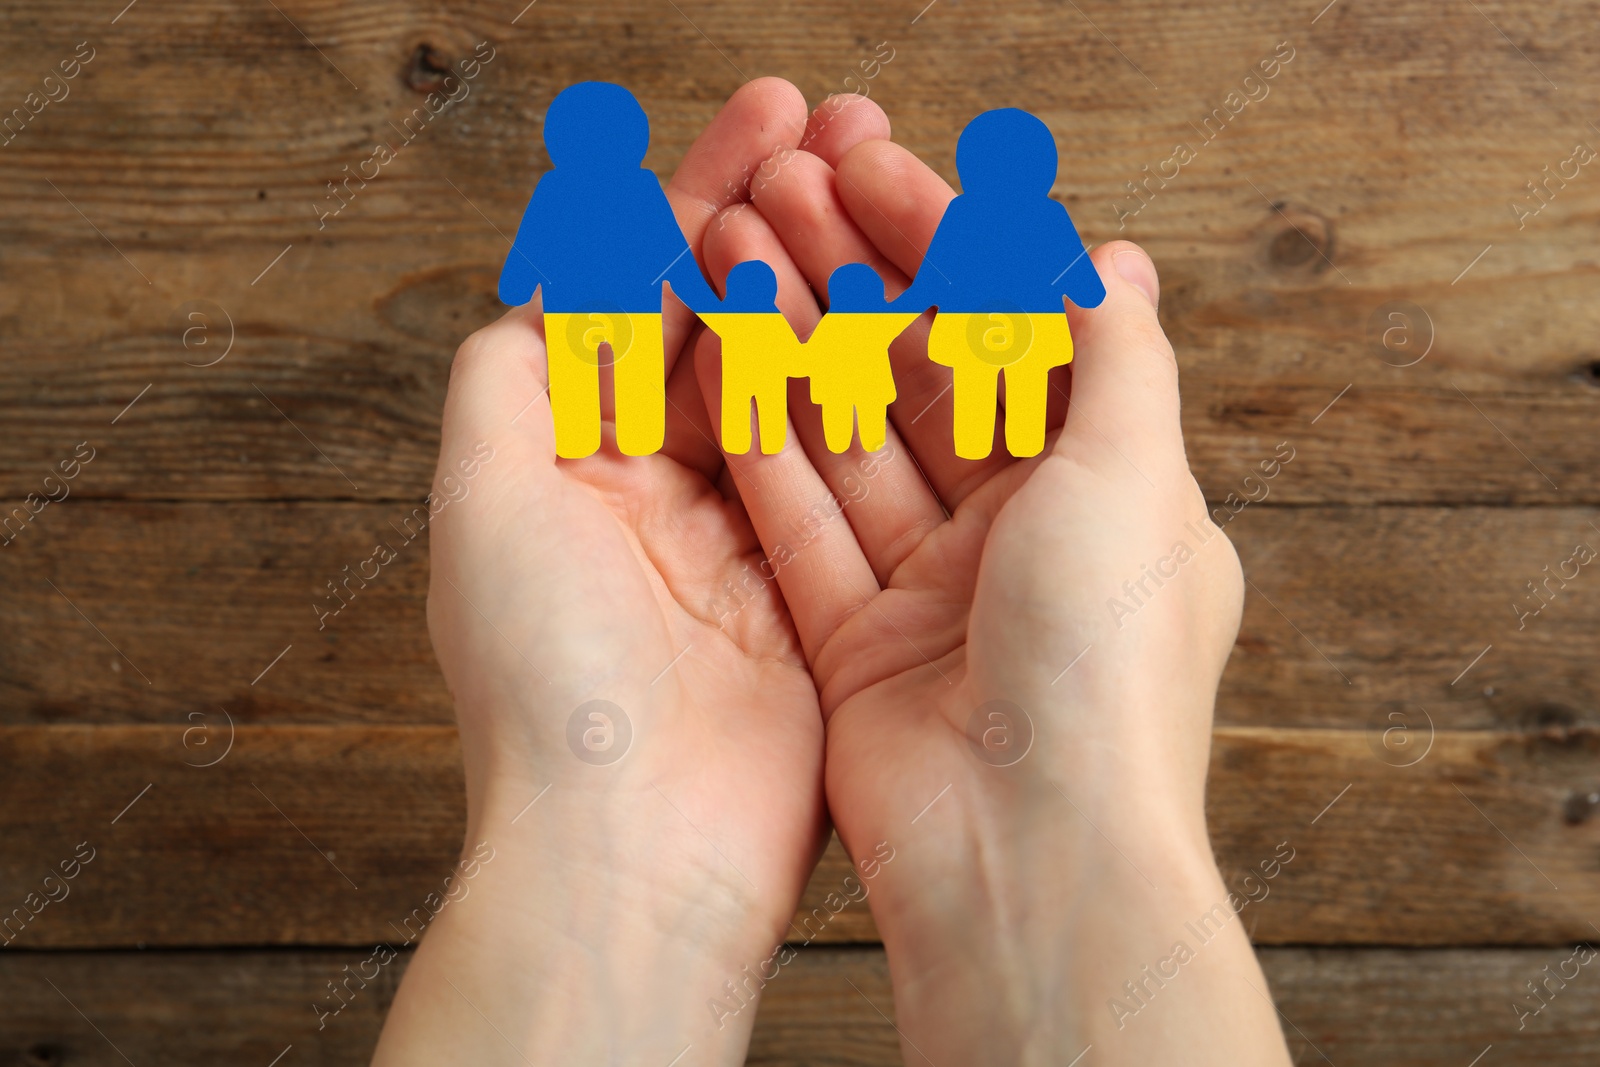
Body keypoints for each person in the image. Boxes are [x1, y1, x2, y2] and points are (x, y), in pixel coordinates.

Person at [373, 81, 1293, 1067]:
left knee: (951, 397)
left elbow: (588, 260)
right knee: (984, 400)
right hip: (995, 334)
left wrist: (605, 847)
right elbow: (1037, 272)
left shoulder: (592, 202)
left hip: (960, 336)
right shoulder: (1014, 219)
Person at [498, 81, 722, 458]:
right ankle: (619, 432)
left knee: (594, 375)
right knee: (633, 373)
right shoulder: (636, 186)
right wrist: (706, 303)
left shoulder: (559, 186)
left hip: (574, 306)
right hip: (631, 306)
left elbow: (534, 241)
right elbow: (671, 252)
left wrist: (517, 283)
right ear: (636, 138)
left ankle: (587, 434)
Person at [895, 107, 1106, 460]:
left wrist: (893, 314)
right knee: (1027, 387)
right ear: (1044, 168)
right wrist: (1090, 290)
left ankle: (974, 444)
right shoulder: (1049, 215)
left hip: (968, 321)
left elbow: (934, 278)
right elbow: (1087, 287)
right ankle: (1024, 444)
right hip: (1035, 323)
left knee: (973, 387)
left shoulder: (963, 212)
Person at [805, 263, 918, 452]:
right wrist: (925, 291)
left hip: (839, 386)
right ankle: (852, 441)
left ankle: (840, 442)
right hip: (865, 385)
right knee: (864, 414)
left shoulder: (831, 325)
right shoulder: (873, 322)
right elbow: (905, 309)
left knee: (843, 413)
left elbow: (813, 353)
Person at [696, 260, 803, 455]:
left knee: (744, 406)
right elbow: (789, 347)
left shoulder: (746, 318)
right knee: (763, 407)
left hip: (749, 376)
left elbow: (704, 306)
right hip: (761, 376)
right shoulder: (771, 318)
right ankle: (763, 442)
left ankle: (752, 442)